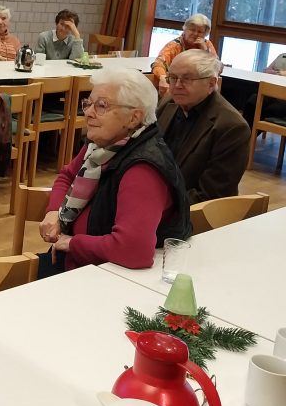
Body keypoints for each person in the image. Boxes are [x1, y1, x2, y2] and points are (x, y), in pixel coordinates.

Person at [38, 67, 190, 276]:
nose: (88, 112)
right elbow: (67, 175)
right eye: (88, 103)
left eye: (102, 106)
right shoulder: (102, 144)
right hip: (76, 264)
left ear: (134, 118)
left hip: (104, 276)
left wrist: (72, 243)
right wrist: (54, 211)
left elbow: (135, 250)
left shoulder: (142, 170)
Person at [156, 51, 250, 203]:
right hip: (155, 192)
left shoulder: (232, 127)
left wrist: (157, 204)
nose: (177, 85)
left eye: (187, 79)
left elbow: (212, 195)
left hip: (189, 209)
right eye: (172, 78)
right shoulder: (169, 103)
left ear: (211, 83)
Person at [151, 14, 219, 95]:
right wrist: (163, 78)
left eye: (200, 32)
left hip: (199, 87)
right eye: (192, 30)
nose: (195, 34)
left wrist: (205, 51)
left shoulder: (206, 44)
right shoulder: (175, 45)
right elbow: (158, 64)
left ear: (205, 34)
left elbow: (218, 67)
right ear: (185, 29)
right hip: (178, 85)